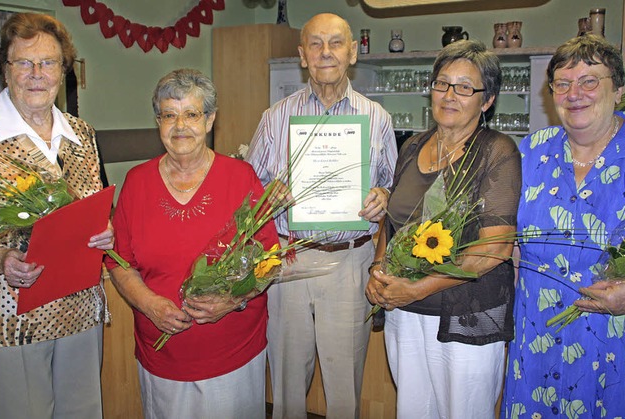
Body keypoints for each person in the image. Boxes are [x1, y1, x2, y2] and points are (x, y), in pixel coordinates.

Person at [246, 13, 397, 419]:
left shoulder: (377, 118)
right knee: (288, 385)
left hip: (351, 260)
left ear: (352, 53)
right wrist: (266, 194)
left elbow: (392, 188)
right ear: (302, 55)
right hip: (289, 260)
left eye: (335, 43)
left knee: (345, 387)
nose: (325, 52)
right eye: (315, 44)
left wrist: (383, 195)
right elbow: (248, 190)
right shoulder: (274, 118)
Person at [105, 68, 278, 419]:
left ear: (210, 119)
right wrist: (150, 304)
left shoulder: (240, 177)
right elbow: (119, 263)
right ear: (158, 122)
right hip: (162, 356)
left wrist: (232, 300)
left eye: (191, 114)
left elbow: (270, 259)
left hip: (232, 352)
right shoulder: (137, 183)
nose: (179, 125)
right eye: (169, 115)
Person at [366, 39, 520, 418]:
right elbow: (393, 221)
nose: (450, 95)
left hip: (464, 316)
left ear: (487, 100)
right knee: (413, 410)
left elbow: (494, 249)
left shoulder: (497, 151)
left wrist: (418, 287)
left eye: (465, 87)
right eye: (442, 83)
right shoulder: (413, 146)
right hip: (404, 313)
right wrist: (378, 269)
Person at [0, 13, 114, 418]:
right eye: (24, 62)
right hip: (11, 317)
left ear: (64, 70)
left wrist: (105, 233)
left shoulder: (83, 134)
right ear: (5, 70)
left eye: (49, 63)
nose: (37, 74)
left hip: (81, 312)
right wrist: (0, 259)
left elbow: (97, 209)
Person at [503, 34, 625, 416]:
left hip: (612, 345)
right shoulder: (530, 151)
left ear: (619, 90)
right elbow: (510, 243)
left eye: (590, 81)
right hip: (535, 342)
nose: (575, 93)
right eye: (563, 83)